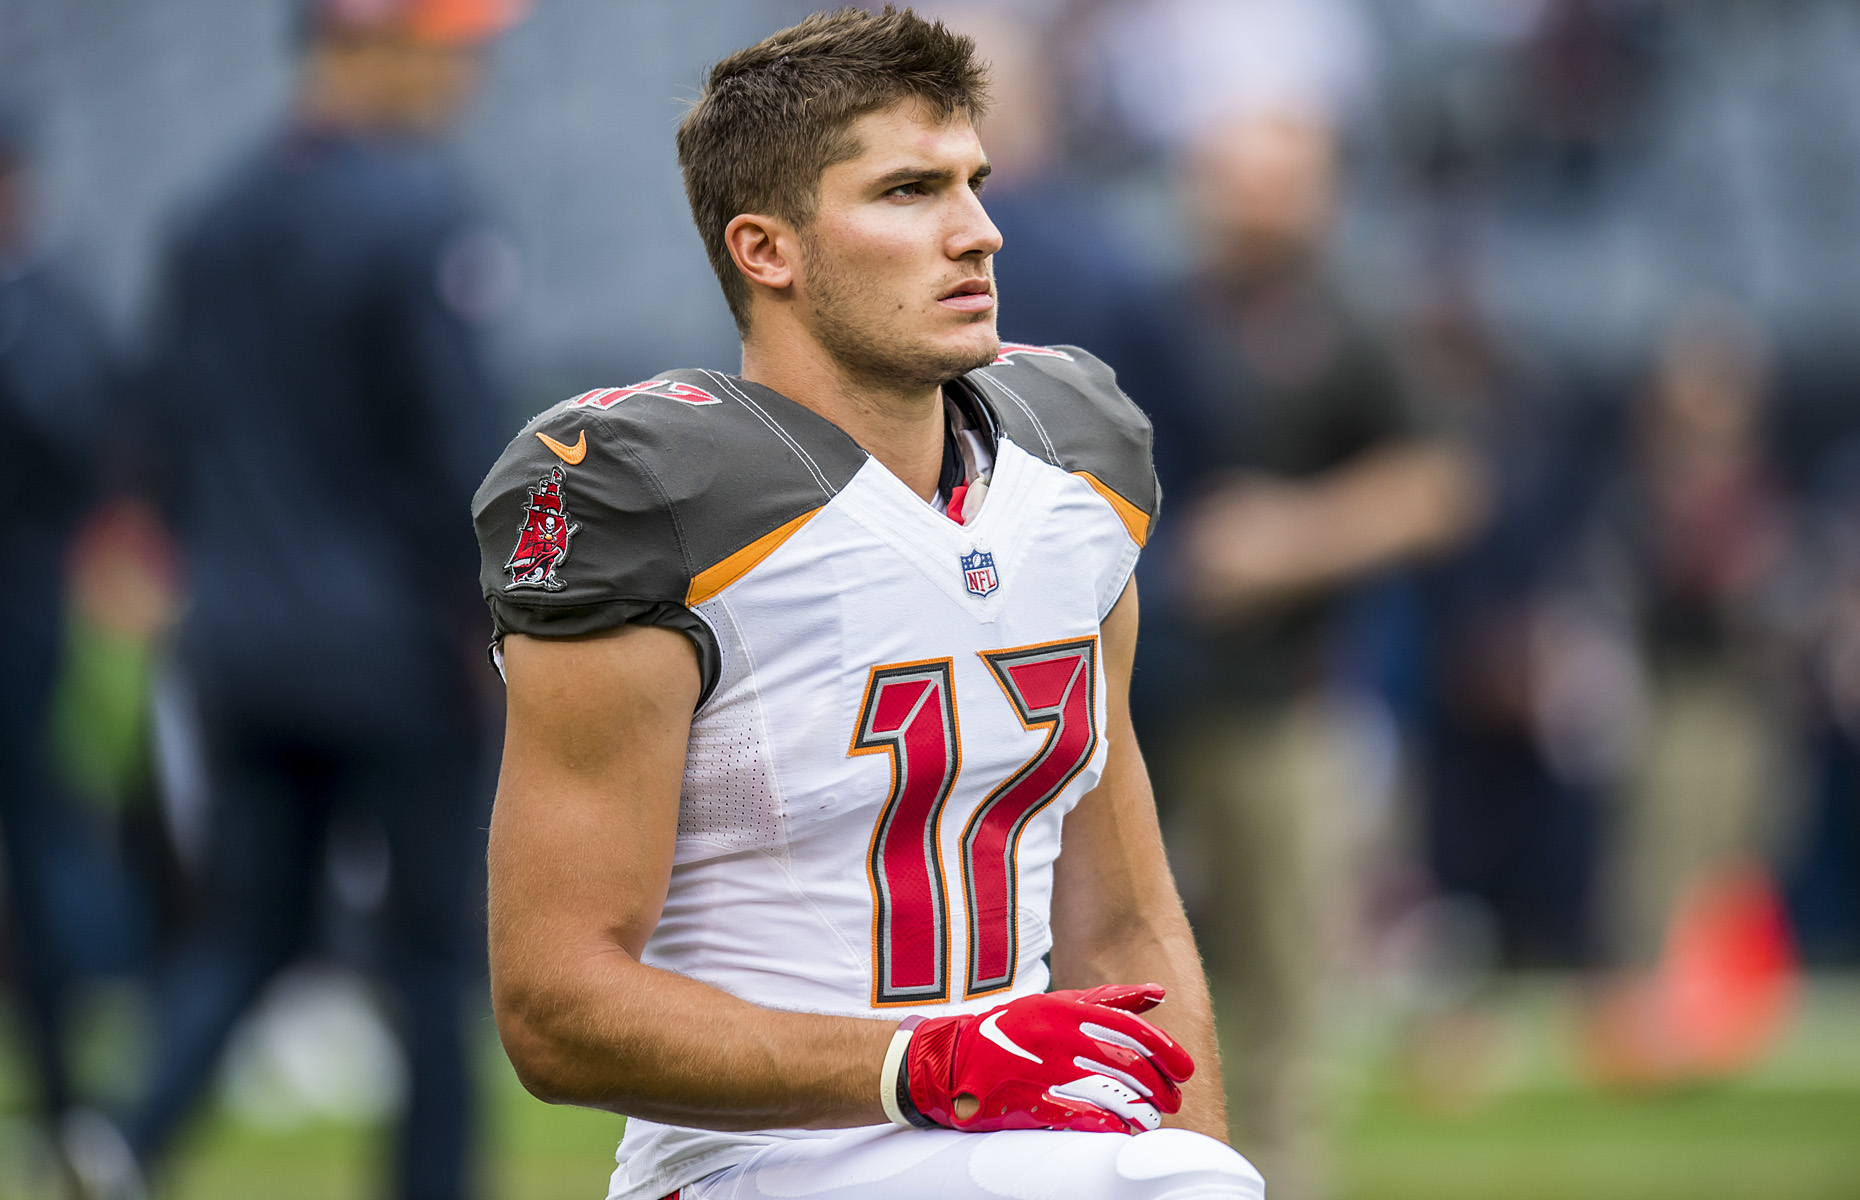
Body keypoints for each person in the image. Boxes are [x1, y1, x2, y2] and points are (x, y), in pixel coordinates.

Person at [472, 9, 1264, 1200]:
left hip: (1011, 1144)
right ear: (767, 250)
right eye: (908, 191)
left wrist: (1188, 1145)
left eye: (973, 182)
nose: (979, 231)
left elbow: (1123, 926)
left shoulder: (1076, 470)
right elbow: (555, 1007)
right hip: (757, 1162)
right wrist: (922, 1065)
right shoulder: (658, 503)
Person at [121, 2, 522, 1197]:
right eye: (444, 49)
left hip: (239, 646)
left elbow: (160, 433)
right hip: (395, 649)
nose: (465, 74)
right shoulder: (418, 210)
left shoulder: (211, 216)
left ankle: (119, 1148)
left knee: (246, 934)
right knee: (432, 956)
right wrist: (496, 612)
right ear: (362, 44)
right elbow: (458, 453)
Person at [1137, 110, 1483, 1199]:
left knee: (1281, 973)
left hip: (1280, 698)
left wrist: (1295, 540)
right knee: (1118, 955)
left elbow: (1439, 486)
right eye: (1234, 179)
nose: (1253, 205)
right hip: (1128, 700)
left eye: (1275, 183)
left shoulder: (1347, 324)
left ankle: (1278, 1175)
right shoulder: (1153, 312)